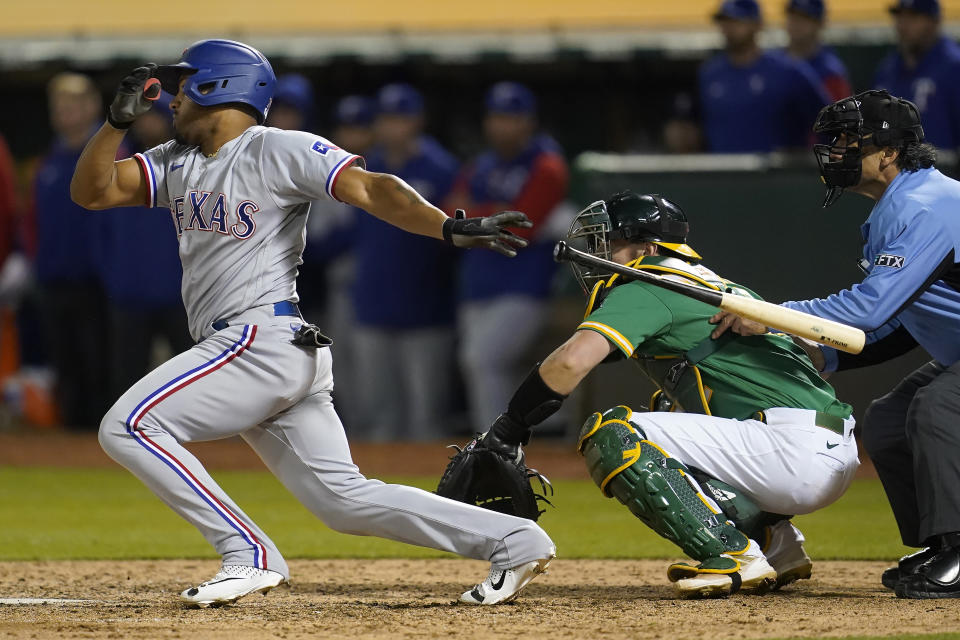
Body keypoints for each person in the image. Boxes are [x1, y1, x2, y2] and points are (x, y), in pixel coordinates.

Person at [70, 39, 554, 608]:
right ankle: (517, 539)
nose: (171, 101)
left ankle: (247, 552)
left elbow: (373, 188)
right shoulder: (175, 160)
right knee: (343, 502)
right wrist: (112, 125)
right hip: (268, 349)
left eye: (183, 86)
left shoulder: (276, 148)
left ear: (216, 87)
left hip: (258, 339)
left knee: (127, 426)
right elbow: (93, 192)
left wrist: (447, 227)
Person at [477, 191, 858, 598]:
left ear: (649, 248)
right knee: (666, 409)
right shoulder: (711, 284)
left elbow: (570, 363)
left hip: (793, 450)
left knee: (614, 434)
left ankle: (733, 554)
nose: (599, 254)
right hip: (821, 444)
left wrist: (509, 427)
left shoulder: (650, 284)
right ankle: (774, 543)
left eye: (610, 243)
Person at [710, 89, 960, 599]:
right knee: (890, 421)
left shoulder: (930, 204)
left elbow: (868, 309)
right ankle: (943, 543)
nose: (837, 150)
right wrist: (824, 353)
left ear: (889, 152)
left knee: (937, 407)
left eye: (851, 140)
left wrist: (773, 317)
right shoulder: (900, 205)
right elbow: (897, 324)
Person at [449, 82, 569, 433]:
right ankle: (501, 440)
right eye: (497, 117)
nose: (502, 125)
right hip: (478, 284)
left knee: (481, 359)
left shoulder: (546, 163)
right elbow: (447, 216)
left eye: (511, 117)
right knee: (484, 365)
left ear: (528, 121)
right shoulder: (481, 164)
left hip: (524, 286)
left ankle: (495, 442)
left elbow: (521, 226)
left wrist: (475, 218)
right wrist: (493, 214)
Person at [349, 83, 461, 441]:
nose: (392, 127)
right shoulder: (367, 166)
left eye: (401, 118)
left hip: (427, 308)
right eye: (386, 118)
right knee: (378, 416)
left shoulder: (441, 167)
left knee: (426, 416)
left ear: (417, 121)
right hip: (372, 303)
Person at [26, 72, 113, 429]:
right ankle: (71, 443)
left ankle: (105, 443)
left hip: (98, 283)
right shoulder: (48, 163)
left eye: (74, 106)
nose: (67, 114)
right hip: (55, 281)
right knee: (66, 368)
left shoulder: (111, 156)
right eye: (60, 107)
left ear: (92, 106)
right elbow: (35, 223)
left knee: (100, 367)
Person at [101, 96, 192, 400]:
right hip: (130, 295)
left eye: (155, 115)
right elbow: (102, 233)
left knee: (194, 381)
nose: (148, 121)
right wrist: (113, 278)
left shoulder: (191, 164)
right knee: (127, 383)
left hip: (182, 296)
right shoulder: (120, 165)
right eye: (143, 116)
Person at [699, 0, 829, 152]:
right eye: (725, 22)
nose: (729, 29)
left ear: (757, 25)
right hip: (723, 172)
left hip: (779, 173)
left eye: (737, 22)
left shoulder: (788, 72)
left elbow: (829, 123)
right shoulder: (710, 74)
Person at [874, 0, 960, 150]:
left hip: (944, 171)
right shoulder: (887, 69)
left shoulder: (953, 67)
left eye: (913, 17)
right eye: (900, 16)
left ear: (934, 21)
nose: (903, 25)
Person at [783, 0, 852, 101]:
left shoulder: (830, 71)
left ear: (820, 23)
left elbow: (841, 113)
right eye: (792, 17)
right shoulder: (774, 63)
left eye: (805, 18)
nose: (796, 23)